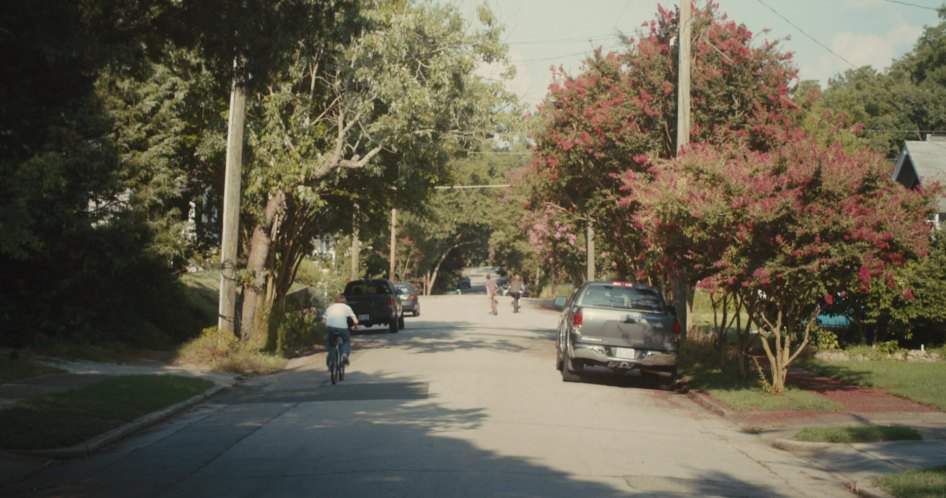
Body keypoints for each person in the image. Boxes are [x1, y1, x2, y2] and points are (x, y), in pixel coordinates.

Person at [323, 293, 358, 366]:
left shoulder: (330, 307)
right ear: (344, 301)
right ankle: (344, 354)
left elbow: (323, 320)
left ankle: (331, 360)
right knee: (346, 341)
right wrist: (355, 326)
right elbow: (355, 321)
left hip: (331, 328)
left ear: (335, 301)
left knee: (331, 344)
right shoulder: (346, 307)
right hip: (343, 328)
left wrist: (327, 327)